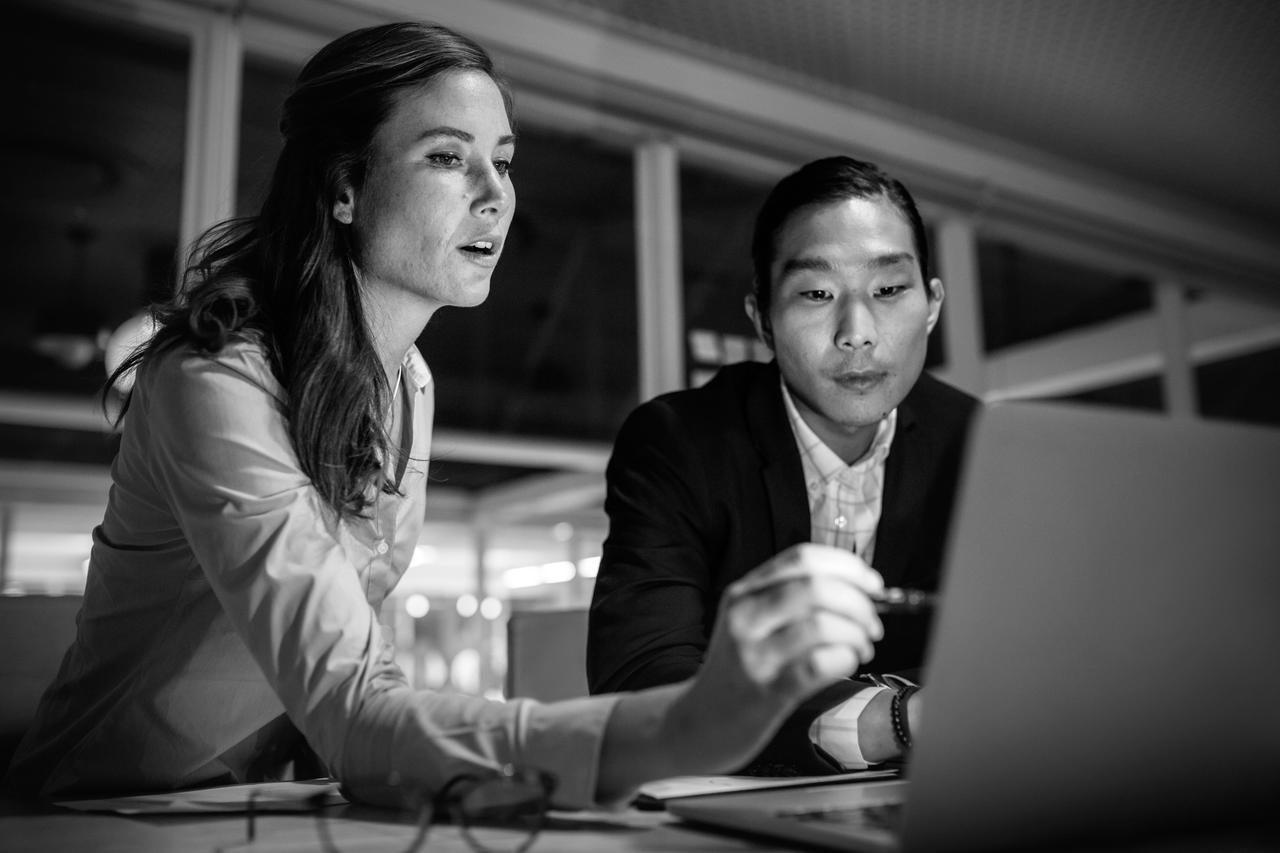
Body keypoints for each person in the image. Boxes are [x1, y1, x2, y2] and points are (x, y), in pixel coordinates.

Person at [2, 26, 889, 810]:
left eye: (502, 160)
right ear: (344, 187)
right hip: (89, 818)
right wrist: (686, 724)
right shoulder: (217, 380)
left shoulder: (409, 383)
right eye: (446, 157)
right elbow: (353, 705)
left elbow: (358, 689)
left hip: (265, 806)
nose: (496, 194)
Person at [588, 156, 980, 774]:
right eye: (817, 294)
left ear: (931, 305)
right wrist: (894, 720)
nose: (857, 332)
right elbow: (641, 685)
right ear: (762, 320)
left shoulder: (979, 443)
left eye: (888, 289)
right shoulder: (679, 441)